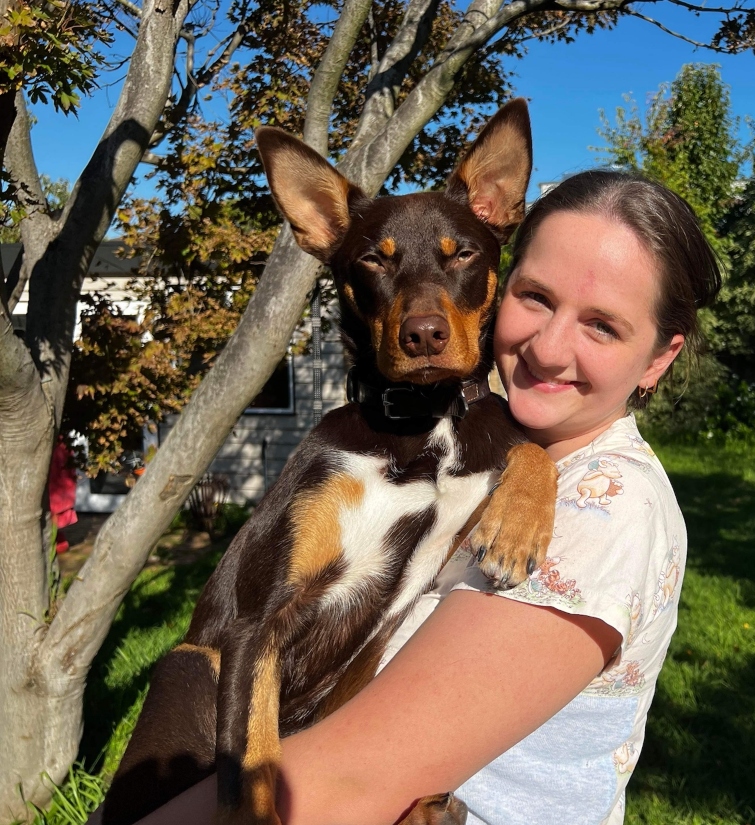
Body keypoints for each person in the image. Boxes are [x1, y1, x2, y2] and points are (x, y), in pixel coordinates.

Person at [128, 169, 720, 825]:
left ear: (661, 357)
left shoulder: (605, 504)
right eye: (536, 297)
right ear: (501, 282)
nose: (549, 348)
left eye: (603, 326)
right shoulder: (493, 446)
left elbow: (350, 780)